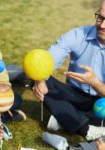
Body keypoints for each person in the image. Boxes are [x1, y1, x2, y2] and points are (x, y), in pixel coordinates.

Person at [33, 0, 105, 140]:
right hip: (73, 95)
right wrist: (39, 80)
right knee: (36, 76)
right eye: (100, 17)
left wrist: (95, 83)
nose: (102, 25)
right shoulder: (78, 35)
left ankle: (65, 120)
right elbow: (45, 62)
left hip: (102, 100)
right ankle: (86, 129)